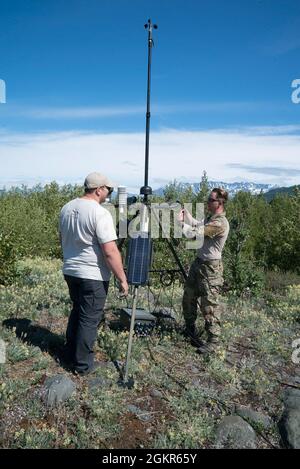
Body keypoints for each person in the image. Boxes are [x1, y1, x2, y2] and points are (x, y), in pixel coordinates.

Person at [59, 172, 128, 375]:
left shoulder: (66, 208)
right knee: (89, 319)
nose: (110, 194)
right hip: (93, 274)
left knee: (77, 312)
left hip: (71, 270)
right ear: (99, 189)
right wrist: (122, 278)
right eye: (109, 190)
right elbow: (110, 251)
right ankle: (83, 366)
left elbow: (61, 239)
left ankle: (69, 353)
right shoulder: (100, 213)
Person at [178, 188, 230, 355]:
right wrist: (187, 216)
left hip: (211, 268)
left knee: (210, 306)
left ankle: (213, 342)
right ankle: (190, 330)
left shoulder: (220, 223)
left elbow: (195, 234)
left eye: (210, 200)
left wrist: (180, 223)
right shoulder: (210, 219)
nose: (207, 202)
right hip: (199, 263)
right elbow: (197, 224)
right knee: (189, 297)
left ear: (219, 203)